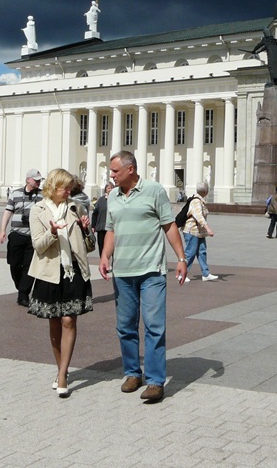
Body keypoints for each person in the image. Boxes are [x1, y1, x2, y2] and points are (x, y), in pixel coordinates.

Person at [100, 150, 188, 403]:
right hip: (123, 271)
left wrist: (181, 259)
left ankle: (155, 381)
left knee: (154, 326)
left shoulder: (154, 190)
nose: (112, 175)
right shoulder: (113, 196)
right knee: (125, 327)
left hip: (151, 270)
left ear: (131, 170)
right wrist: (106, 255)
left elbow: (169, 226)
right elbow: (111, 230)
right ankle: (132, 373)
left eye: (115, 171)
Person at [28, 168, 94, 397]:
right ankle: (60, 369)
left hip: (73, 270)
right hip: (49, 272)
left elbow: (90, 245)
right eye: (63, 187)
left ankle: (64, 373)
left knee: (68, 320)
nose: (68, 191)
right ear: (52, 187)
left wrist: (87, 230)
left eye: (69, 188)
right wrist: (53, 233)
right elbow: (38, 245)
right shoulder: (37, 210)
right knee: (55, 321)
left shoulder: (78, 207)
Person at [0, 169, 43, 307]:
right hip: (17, 234)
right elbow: (8, 211)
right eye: (36, 180)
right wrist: (2, 230)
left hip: (33, 236)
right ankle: (21, 286)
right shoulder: (16, 193)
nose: (38, 182)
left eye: (40, 180)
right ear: (28, 179)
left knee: (29, 266)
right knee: (14, 264)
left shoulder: (43, 196)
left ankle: (23, 295)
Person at [182, 182, 217, 281]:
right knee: (190, 252)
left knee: (202, 251)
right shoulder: (196, 201)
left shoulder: (200, 200)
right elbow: (199, 217)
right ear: (206, 191)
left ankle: (205, 274)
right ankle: (182, 274)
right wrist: (208, 229)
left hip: (199, 232)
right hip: (192, 230)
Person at [91, 182, 113, 252]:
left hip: (112, 228)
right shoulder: (101, 200)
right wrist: (93, 226)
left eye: (112, 188)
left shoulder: (117, 199)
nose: (110, 190)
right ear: (105, 190)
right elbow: (95, 213)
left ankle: (113, 262)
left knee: (113, 247)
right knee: (101, 247)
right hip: (101, 227)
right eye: (108, 188)